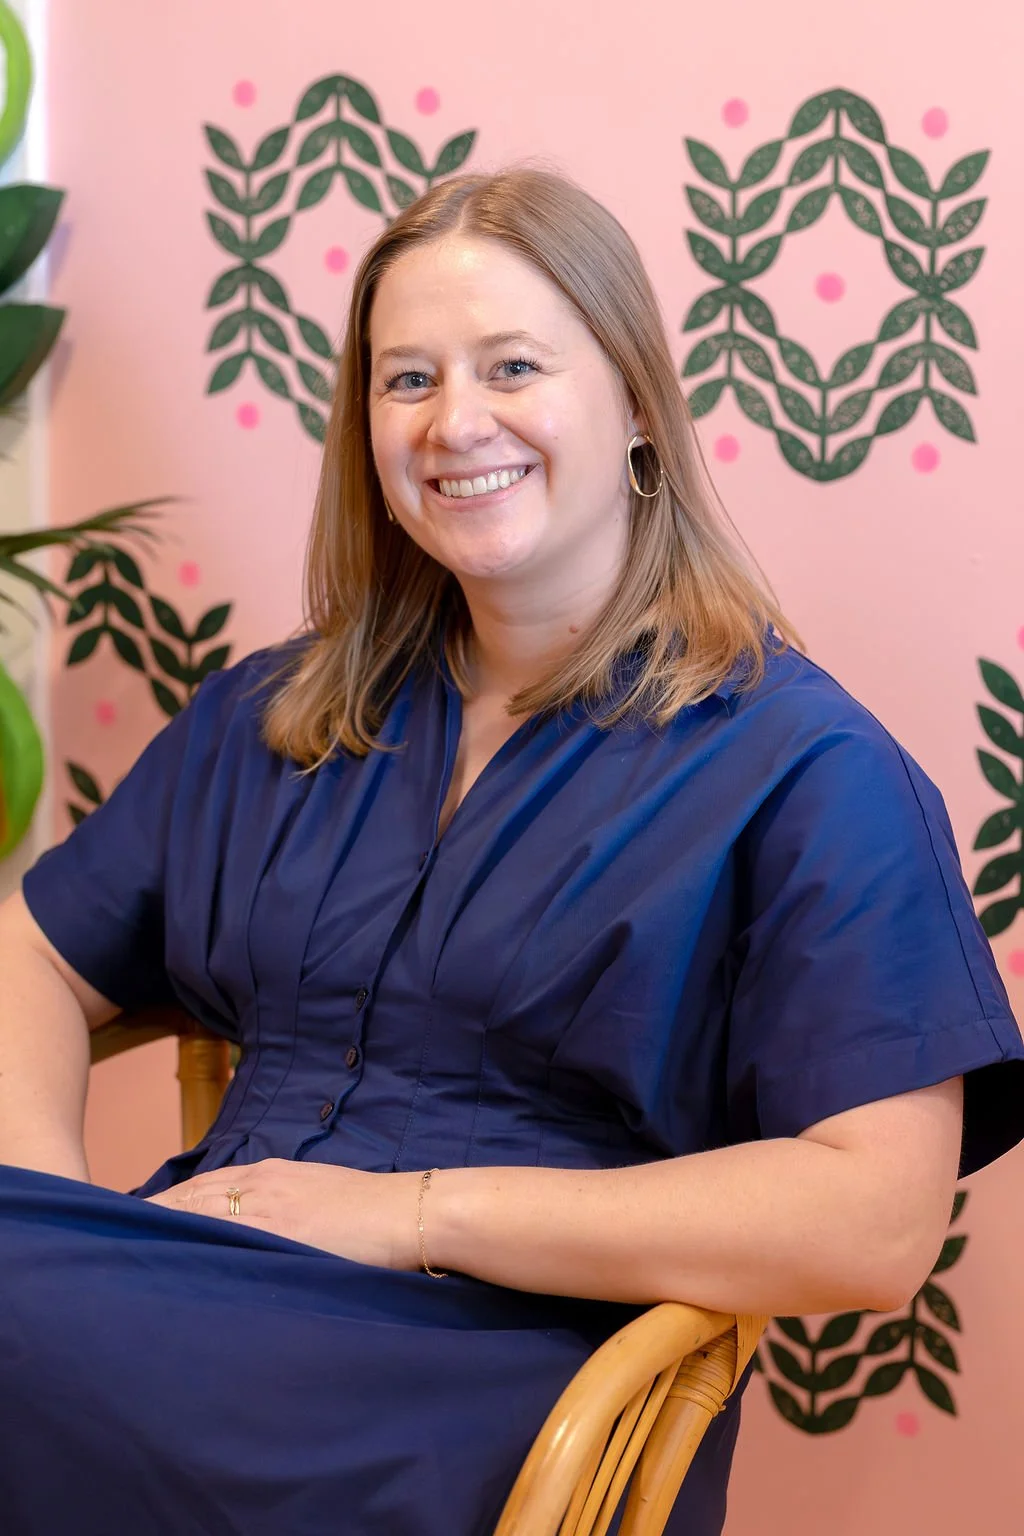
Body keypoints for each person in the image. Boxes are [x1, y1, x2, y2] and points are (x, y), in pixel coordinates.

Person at [0, 165, 1022, 1536]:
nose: (453, 422)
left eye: (513, 365)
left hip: (485, 1386)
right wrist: (59, 1220)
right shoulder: (282, 714)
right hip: (184, 1310)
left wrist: (411, 1213)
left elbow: (877, 1224)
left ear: (641, 408)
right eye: (405, 379)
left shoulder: (807, 770)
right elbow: (35, 952)